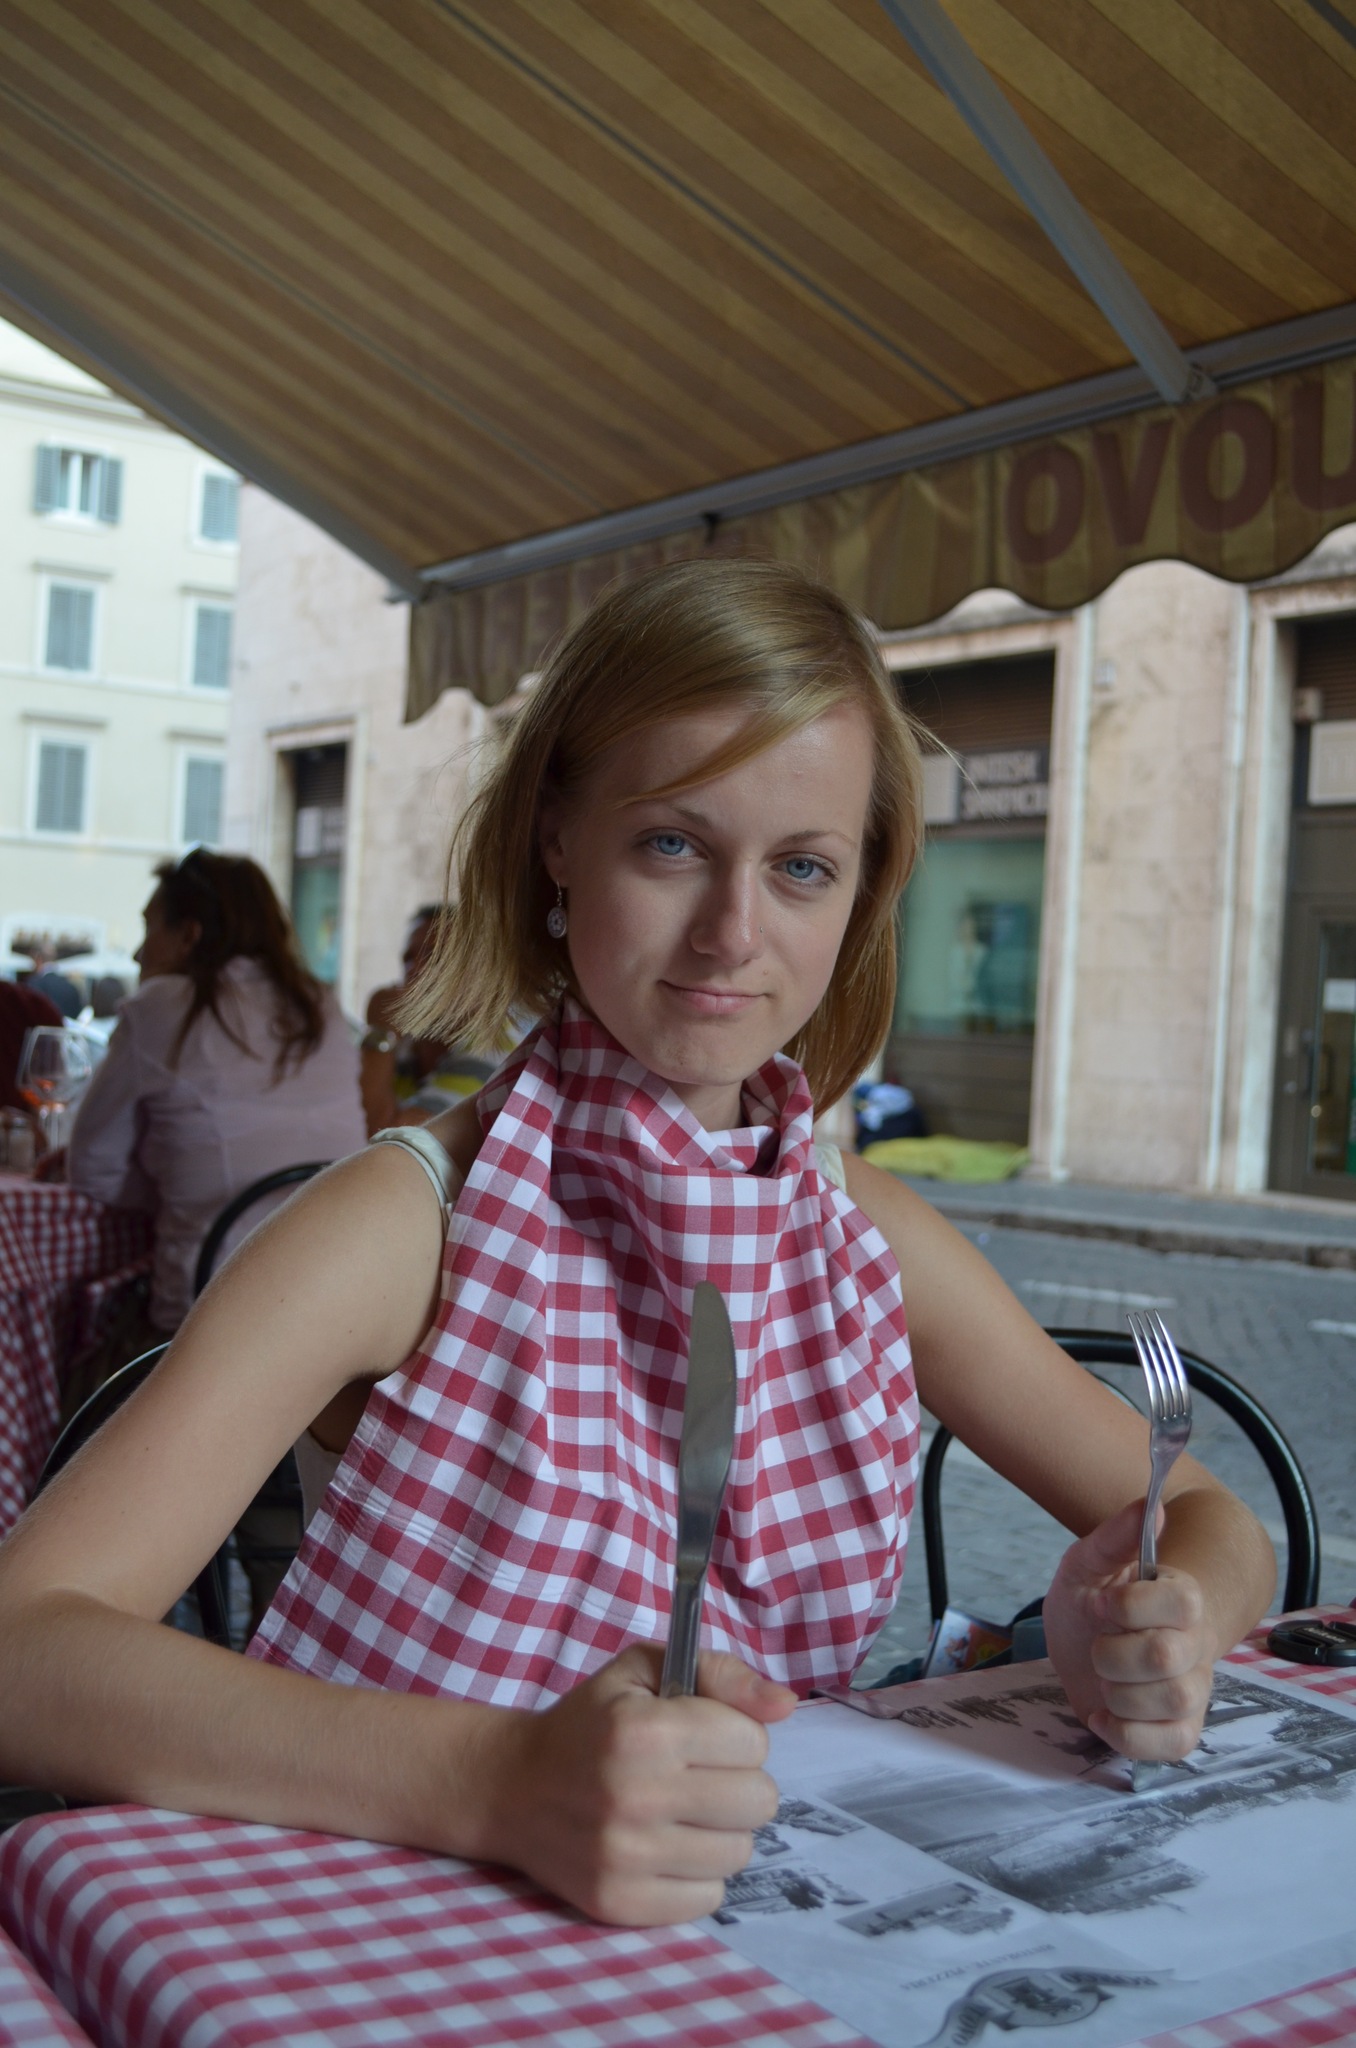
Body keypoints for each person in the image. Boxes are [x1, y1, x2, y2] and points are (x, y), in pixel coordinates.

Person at [0, 562, 1273, 1932]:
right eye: (672, 843)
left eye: (801, 867)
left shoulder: (866, 1237)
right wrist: (498, 1780)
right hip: (410, 1942)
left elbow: (1213, 1522)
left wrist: (1162, 1621)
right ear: (556, 836)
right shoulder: (407, 1224)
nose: (732, 933)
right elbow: (24, 1648)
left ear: (861, 895)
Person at [66, 848, 366, 1339]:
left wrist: (178, 1184)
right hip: (333, 1308)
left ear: (189, 935)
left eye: (149, 929)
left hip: (210, 1314)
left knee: (81, 1338)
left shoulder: (161, 1007)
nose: (138, 953)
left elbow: (91, 1169)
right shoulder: (320, 1005)